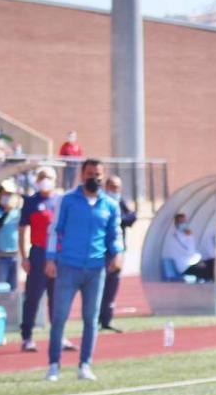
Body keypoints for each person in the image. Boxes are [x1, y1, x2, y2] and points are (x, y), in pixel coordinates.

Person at [44, 159, 122, 382]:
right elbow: (55, 230)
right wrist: (50, 259)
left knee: (91, 318)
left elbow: (114, 234)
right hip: (68, 266)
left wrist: (118, 253)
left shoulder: (110, 205)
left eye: (98, 175)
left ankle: (85, 364)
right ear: (82, 175)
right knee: (59, 317)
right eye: (89, 174)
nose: (94, 178)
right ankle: (54, 365)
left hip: (96, 269)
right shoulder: (67, 200)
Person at [19, 167, 67, 352]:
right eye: (42, 177)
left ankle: (58, 336)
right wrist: (24, 257)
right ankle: (27, 337)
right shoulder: (31, 202)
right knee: (33, 296)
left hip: (58, 255)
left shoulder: (61, 202)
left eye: (48, 177)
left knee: (57, 297)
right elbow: (22, 230)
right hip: (38, 254)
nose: (45, 180)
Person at [98, 175, 136, 333]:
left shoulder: (120, 202)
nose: (115, 190)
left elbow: (131, 217)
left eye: (117, 187)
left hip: (118, 251)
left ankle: (106, 320)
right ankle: (94, 320)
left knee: (112, 286)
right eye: (112, 186)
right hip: (101, 251)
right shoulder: (101, 202)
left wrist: (123, 218)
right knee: (98, 285)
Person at [0, 179, 22, 290]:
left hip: (14, 255)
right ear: (0, 194)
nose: (7, 197)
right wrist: (6, 212)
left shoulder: (17, 212)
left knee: (13, 288)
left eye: (9, 194)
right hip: (0, 255)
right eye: (5, 194)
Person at [163, 213, 214, 281]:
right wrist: (190, 237)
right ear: (176, 224)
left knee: (213, 263)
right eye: (181, 222)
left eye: (184, 222)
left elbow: (192, 252)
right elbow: (189, 252)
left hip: (190, 263)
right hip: (184, 267)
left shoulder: (184, 235)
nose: (183, 224)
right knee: (208, 271)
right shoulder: (175, 238)